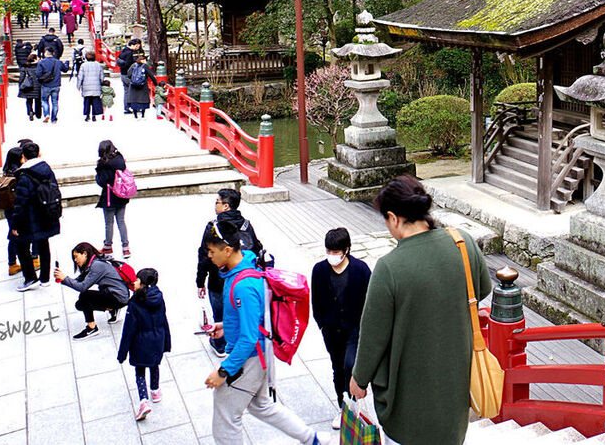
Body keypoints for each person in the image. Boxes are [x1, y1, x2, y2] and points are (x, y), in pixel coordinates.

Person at [350, 176, 492, 445]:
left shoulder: (390, 268)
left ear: (393, 218)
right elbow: (481, 289)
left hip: (408, 403)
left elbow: (372, 336)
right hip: (453, 392)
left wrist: (359, 379)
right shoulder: (464, 244)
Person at [202, 220, 321, 445]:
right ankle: (314, 439)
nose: (209, 256)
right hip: (259, 354)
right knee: (262, 406)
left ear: (227, 251)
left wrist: (223, 371)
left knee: (226, 418)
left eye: (211, 251)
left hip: (250, 359)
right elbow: (251, 320)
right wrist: (225, 328)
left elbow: (247, 338)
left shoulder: (243, 285)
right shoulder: (241, 269)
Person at [311, 227, 370, 430]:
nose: (332, 256)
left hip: (354, 328)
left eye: (336, 252)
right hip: (331, 329)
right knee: (337, 368)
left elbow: (369, 301)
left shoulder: (361, 270)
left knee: (350, 365)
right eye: (329, 251)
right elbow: (316, 300)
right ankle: (343, 407)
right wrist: (322, 323)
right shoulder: (319, 270)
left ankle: (352, 404)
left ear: (346, 250)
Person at [196, 189, 263, 357]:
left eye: (217, 202)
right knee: (240, 313)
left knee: (220, 314)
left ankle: (220, 345)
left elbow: (204, 256)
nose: (215, 205)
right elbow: (256, 249)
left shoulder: (214, 227)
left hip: (218, 280)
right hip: (242, 278)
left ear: (226, 206)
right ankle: (238, 341)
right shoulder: (246, 225)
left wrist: (200, 281)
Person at [117, 268, 171, 421]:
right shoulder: (159, 298)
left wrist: (122, 353)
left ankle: (143, 401)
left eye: (136, 280)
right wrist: (166, 342)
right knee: (154, 365)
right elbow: (163, 321)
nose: (134, 282)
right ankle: (155, 391)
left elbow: (128, 330)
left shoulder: (135, 303)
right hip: (157, 340)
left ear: (142, 283)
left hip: (140, 343)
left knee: (140, 371)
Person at [10, 141, 61, 292]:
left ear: (23, 157)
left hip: (30, 217)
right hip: (46, 213)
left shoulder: (24, 175)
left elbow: (20, 203)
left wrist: (15, 224)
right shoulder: (46, 169)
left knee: (21, 245)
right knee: (43, 244)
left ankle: (30, 277)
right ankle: (45, 278)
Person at [56, 242, 130, 340]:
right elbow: (78, 280)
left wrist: (65, 278)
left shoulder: (96, 266)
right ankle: (113, 309)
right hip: (116, 293)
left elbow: (82, 287)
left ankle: (92, 328)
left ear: (85, 254)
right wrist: (63, 279)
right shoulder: (93, 262)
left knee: (85, 296)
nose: (75, 260)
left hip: (118, 297)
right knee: (80, 304)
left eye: (76, 256)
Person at [2, 141, 38, 276]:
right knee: (28, 232)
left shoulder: (6, 171)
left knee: (13, 235)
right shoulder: (19, 174)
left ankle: (12, 263)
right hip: (19, 209)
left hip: (9, 208)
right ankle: (33, 258)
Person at [95, 140, 130, 258]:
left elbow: (102, 181)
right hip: (121, 195)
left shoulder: (104, 165)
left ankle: (108, 245)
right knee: (121, 221)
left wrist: (97, 175)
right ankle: (126, 247)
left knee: (109, 223)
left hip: (109, 196)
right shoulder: (120, 160)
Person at [37, 48, 67, 123]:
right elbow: (65, 69)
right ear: (53, 53)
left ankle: (47, 114)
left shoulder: (41, 62)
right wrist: (66, 63)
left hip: (46, 84)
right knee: (55, 102)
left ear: (45, 54)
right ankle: (54, 119)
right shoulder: (58, 62)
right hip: (56, 84)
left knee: (44, 100)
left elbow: (38, 74)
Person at [123, 53, 156, 118]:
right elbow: (151, 75)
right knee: (143, 101)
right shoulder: (145, 66)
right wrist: (156, 84)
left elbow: (129, 74)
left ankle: (135, 115)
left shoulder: (133, 65)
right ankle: (143, 115)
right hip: (143, 85)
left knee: (134, 101)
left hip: (133, 86)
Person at [77, 52, 105, 122]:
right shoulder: (98, 65)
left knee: (87, 101)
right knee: (95, 101)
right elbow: (102, 76)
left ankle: (87, 115)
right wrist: (101, 83)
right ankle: (94, 116)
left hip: (86, 86)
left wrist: (78, 85)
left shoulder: (83, 65)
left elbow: (80, 77)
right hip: (96, 86)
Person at [19, 53, 43, 121]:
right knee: (38, 100)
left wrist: (20, 85)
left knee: (29, 100)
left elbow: (21, 77)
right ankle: (38, 114)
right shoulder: (39, 66)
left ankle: (30, 111)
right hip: (37, 86)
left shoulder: (25, 67)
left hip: (28, 85)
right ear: (35, 59)